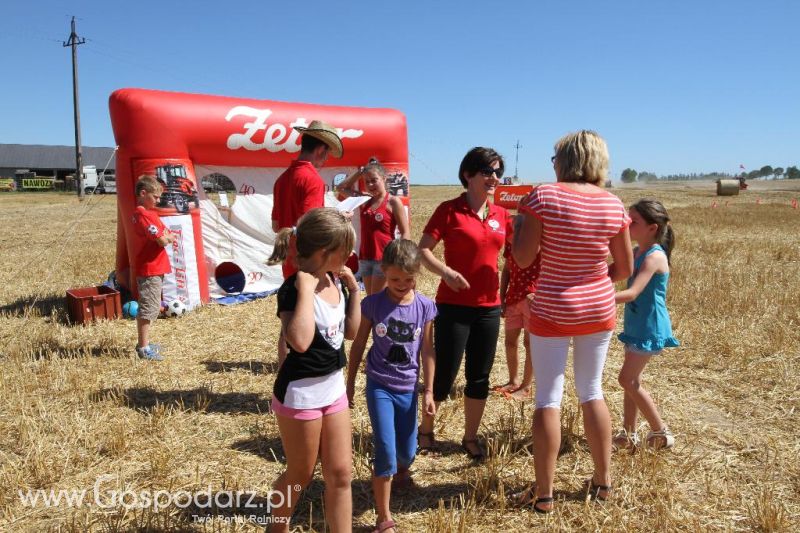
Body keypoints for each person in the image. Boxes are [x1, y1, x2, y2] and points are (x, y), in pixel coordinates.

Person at [512, 130, 633, 513]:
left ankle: (544, 494)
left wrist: (519, 226)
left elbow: (524, 257)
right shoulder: (614, 205)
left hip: (552, 307)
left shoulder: (543, 197)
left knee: (548, 397)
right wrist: (591, 282)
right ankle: (603, 484)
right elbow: (625, 268)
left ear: (564, 161)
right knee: (591, 391)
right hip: (598, 310)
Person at [265, 208, 360, 533]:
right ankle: (276, 528)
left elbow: (349, 333)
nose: (350, 255)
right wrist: (306, 291)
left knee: (341, 475)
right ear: (325, 253)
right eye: (345, 250)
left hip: (333, 391)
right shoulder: (293, 290)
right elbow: (300, 341)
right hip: (301, 396)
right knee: (300, 475)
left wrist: (355, 292)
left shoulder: (336, 279)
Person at [417, 147, 512, 461]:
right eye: (487, 172)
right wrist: (446, 272)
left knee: (479, 376)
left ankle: (470, 437)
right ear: (468, 175)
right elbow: (423, 251)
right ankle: (426, 431)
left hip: (489, 308)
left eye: (497, 172)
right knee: (443, 373)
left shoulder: (501, 215)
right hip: (453, 306)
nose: (494, 178)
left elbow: (514, 258)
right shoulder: (448, 210)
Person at [346, 239, 436, 533]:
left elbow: (427, 350)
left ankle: (400, 472)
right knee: (385, 448)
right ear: (383, 271)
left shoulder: (424, 306)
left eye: (409, 279)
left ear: (417, 275)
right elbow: (359, 344)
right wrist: (349, 384)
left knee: (406, 453)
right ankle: (383, 517)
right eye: (395, 278)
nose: (402, 284)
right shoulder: (373, 304)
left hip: (409, 388)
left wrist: (429, 390)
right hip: (380, 386)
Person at [271, 120, 344, 366]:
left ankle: (283, 379)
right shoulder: (312, 179)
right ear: (321, 150)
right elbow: (311, 228)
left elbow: (276, 225)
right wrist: (337, 219)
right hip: (309, 264)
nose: (325, 162)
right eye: (326, 156)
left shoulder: (282, 179)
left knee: (288, 323)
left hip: (290, 262)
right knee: (312, 324)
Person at [613, 199, 679, 451]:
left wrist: (596, 297)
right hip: (636, 324)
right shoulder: (638, 251)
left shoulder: (654, 257)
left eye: (634, 221)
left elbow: (632, 293)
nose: (627, 224)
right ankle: (628, 435)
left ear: (652, 228)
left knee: (627, 380)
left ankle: (661, 432)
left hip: (649, 327)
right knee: (632, 381)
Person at [336, 158, 411, 295]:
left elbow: (405, 232)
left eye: (374, 180)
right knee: (371, 299)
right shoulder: (364, 200)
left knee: (377, 300)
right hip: (365, 257)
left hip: (384, 258)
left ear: (383, 178)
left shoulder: (393, 202)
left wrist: (400, 257)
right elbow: (341, 188)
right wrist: (360, 172)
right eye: (367, 181)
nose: (370, 184)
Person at [494, 214, 540, 399]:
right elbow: (506, 270)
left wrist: (539, 294)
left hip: (533, 302)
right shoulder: (510, 246)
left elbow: (551, 271)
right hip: (513, 299)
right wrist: (502, 297)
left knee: (530, 344)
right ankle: (513, 380)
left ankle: (526, 386)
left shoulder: (540, 247)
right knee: (510, 342)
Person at [130, 175, 175, 361]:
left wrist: (167, 236)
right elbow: (163, 239)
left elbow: (167, 233)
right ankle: (143, 347)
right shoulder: (145, 216)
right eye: (155, 197)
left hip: (155, 267)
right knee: (149, 308)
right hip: (150, 268)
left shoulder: (150, 215)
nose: (158, 201)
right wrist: (166, 237)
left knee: (153, 306)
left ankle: (145, 342)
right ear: (143, 193)